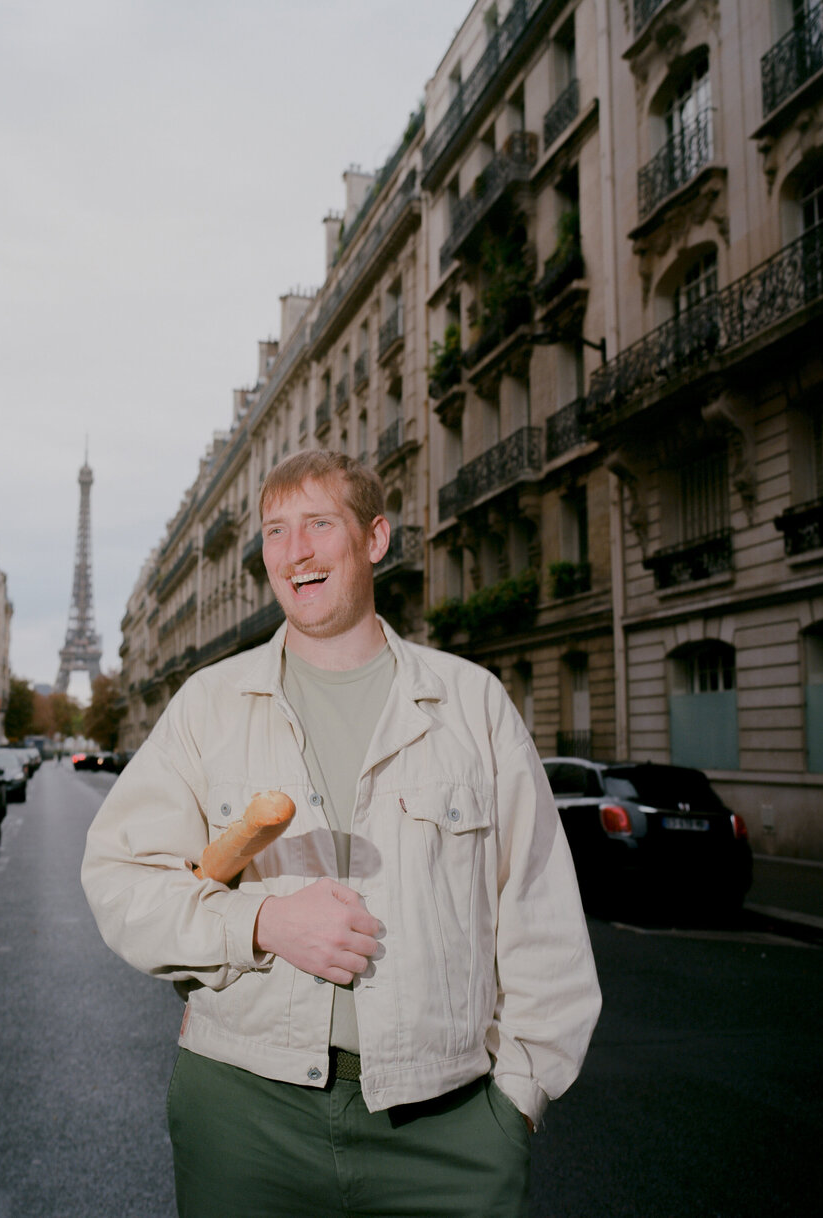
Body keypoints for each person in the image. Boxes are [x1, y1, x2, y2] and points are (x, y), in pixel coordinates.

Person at [82, 450, 600, 1218]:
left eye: (320, 524)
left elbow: (540, 915)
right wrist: (259, 922)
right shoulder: (209, 705)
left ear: (376, 539)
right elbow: (121, 881)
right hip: (246, 1116)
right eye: (275, 531)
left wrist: (514, 1105)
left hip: (448, 1126)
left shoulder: (472, 705)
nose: (296, 551)